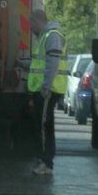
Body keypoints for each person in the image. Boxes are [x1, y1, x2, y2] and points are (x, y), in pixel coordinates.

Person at [27, 9, 68, 175]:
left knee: (44, 126)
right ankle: (44, 160)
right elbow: (40, 63)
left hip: (48, 90)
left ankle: (46, 162)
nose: (30, 28)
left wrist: (45, 87)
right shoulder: (46, 37)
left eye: (31, 24)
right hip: (46, 89)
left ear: (37, 22)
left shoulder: (52, 36)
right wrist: (23, 64)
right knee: (43, 125)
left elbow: (52, 65)